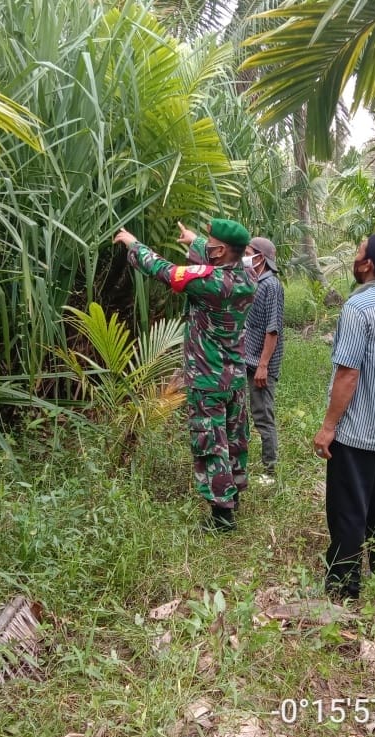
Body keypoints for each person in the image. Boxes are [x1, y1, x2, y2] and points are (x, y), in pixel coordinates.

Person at [113, 220, 256, 531]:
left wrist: (133, 244)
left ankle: (222, 516)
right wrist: (195, 242)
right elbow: (219, 259)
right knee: (234, 438)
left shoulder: (211, 284)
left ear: (220, 251)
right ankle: (235, 494)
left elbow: (164, 271)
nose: (206, 243)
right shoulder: (248, 276)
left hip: (208, 378)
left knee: (211, 442)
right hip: (234, 377)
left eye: (210, 242)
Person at [313, 230, 375, 600]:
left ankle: (344, 587)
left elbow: (348, 373)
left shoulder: (358, 308)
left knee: (348, 511)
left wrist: (328, 428)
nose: (355, 255)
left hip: (355, 433)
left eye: (359, 250)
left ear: (368, 263)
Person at [242, 237, 284, 485]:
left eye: (247, 253)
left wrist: (263, 365)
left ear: (260, 257)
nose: (244, 257)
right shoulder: (254, 282)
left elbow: (273, 329)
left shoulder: (272, 286)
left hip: (261, 364)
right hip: (247, 360)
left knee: (262, 415)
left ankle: (269, 470)